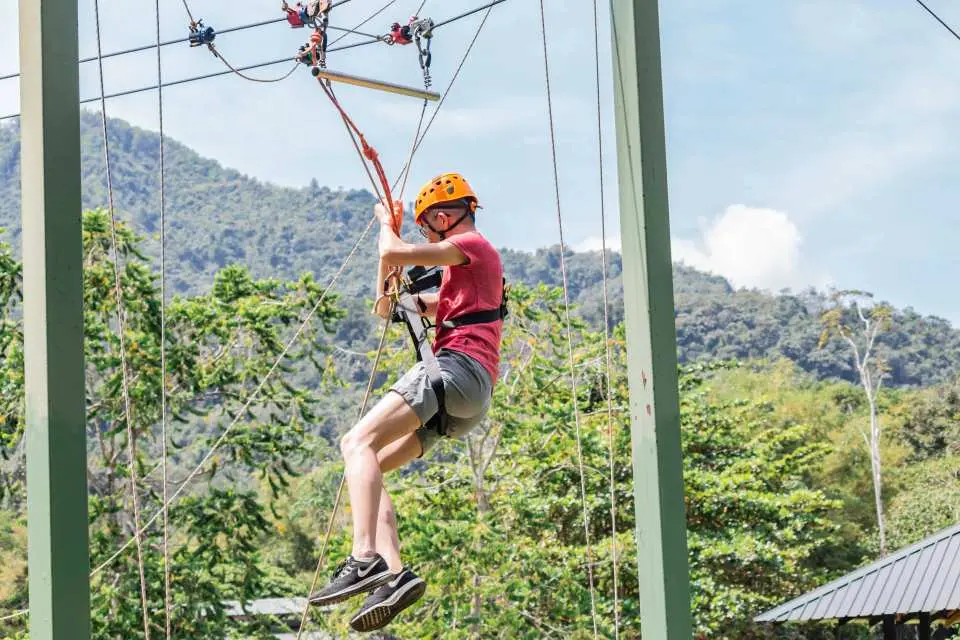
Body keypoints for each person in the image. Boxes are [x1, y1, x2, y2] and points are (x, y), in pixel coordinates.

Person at [309, 172, 505, 633]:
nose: (426, 238)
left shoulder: (475, 245)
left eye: (426, 230)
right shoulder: (460, 287)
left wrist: (387, 223)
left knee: (354, 441)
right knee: (369, 462)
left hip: (457, 372)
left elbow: (392, 251)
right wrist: (390, 264)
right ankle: (395, 576)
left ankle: (364, 557)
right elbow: (387, 306)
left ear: (442, 218)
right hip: (466, 402)